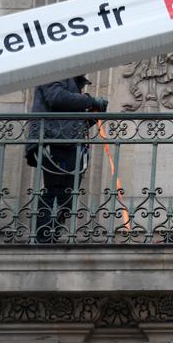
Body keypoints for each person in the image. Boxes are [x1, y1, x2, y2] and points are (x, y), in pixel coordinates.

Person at [25, 75, 107, 243]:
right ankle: (44, 237)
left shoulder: (70, 79)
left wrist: (94, 113)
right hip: (54, 140)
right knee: (56, 190)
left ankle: (50, 234)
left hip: (65, 141)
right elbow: (55, 97)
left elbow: (75, 121)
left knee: (67, 194)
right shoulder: (57, 69)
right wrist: (89, 100)